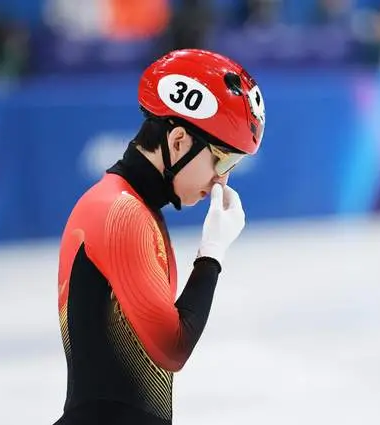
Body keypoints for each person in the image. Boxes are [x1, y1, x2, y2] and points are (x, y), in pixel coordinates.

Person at [52, 48, 266, 425]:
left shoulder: (138, 208)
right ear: (179, 141)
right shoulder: (120, 212)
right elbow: (171, 348)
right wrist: (211, 254)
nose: (222, 178)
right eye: (222, 159)